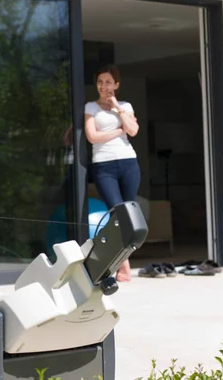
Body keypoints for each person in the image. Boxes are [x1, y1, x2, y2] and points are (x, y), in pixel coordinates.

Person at [84, 64, 140, 282]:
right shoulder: (91, 107)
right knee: (117, 214)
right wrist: (119, 130)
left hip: (128, 163)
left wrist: (116, 106)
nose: (103, 86)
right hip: (103, 164)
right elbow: (92, 137)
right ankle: (123, 264)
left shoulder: (125, 105)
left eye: (108, 82)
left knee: (129, 213)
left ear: (116, 84)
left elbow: (133, 130)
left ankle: (123, 263)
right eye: (100, 81)